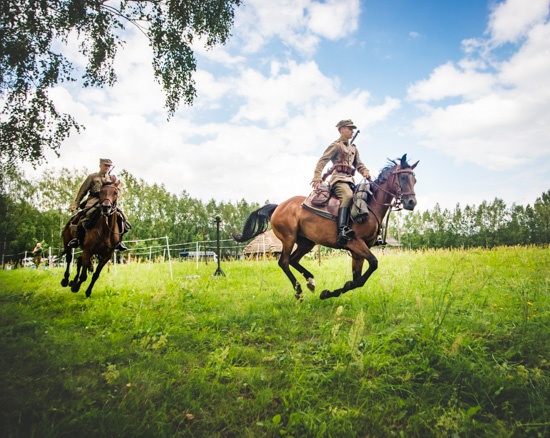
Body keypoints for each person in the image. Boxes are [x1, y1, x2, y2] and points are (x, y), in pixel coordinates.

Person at [311, 119, 371, 248]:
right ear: (342, 129)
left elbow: (359, 165)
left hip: (350, 180)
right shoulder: (336, 145)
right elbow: (323, 161)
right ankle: (342, 230)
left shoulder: (354, 149)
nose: (352, 131)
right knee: (348, 196)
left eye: (352, 129)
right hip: (338, 180)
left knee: (364, 197)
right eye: (349, 129)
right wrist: (317, 177)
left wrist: (365, 171)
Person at [68, 158, 129, 250]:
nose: (107, 167)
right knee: (86, 214)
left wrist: (114, 195)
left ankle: (119, 241)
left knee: (122, 217)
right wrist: (76, 203)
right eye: (105, 165)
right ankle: (77, 238)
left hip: (109, 201)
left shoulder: (113, 179)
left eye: (109, 166)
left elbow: (120, 191)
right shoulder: (92, 177)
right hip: (94, 200)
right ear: (100, 165)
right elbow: (82, 191)